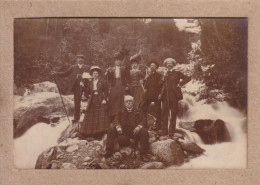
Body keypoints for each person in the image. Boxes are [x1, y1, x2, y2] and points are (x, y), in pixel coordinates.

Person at [105, 95, 150, 161]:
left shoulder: (138, 111)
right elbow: (115, 120)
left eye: (130, 101)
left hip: (135, 133)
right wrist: (118, 127)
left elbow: (144, 120)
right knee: (111, 129)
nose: (128, 103)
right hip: (124, 134)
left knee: (144, 131)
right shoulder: (120, 111)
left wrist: (139, 127)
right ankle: (108, 151)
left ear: (133, 102)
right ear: (124, 103)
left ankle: (143, 154)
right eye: (127, 101)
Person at [52, 54, 90, 123]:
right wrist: (56, 73)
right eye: (79, 58)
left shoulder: (87, 68)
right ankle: (76, 118)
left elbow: (91, 76)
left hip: (86, 87)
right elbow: (65, 73)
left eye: (82, 58)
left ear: (84, 60)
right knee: (77, 102)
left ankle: (88, 117)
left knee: (89, 101)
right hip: (76, 88)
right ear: (76, 59)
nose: (80, 59)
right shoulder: (73, 67)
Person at [159, 58, 191, 136]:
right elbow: (159, 84)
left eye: (170, 64)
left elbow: (188, 78)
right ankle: (164, 130)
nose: (169, 65)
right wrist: (163, 78)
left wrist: (180, 84)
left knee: (173, 113)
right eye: (167, 64)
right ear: (166, 65)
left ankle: (172, 131)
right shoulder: (164, 73)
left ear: (173, 65)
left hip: (174, 95)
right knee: (164, 113)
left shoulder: (177, 73)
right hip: (165, 96)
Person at [78, 66, 109, 138]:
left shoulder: (102, 81)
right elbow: (87, 92)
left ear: (98, 74)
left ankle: (100, 133)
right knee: (91, 114)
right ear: (92, 74)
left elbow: (106, 91)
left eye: (96, 73)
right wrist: (82, 87)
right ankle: (89, 133)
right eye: (94, 73)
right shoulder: (90, 83)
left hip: (100, 99)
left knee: (101, 114)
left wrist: (105, 99)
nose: (95, 74)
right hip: (92, 100)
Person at [105, 52, 129, 122]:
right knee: (113, 100)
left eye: (119, 60)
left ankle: (122, 116)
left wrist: (127, 85)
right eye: (116, 60)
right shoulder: (111, 69)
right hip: (114, 85)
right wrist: (108, 73)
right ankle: (113, 116)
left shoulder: (124, 68)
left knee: (121, 100)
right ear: (114, 61)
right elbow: (109, 79)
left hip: (122, 85)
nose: (118, 61)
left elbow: (128, 78)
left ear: (121, 61)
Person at [141, 60, 163, 130]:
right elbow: (145, 86)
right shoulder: (148, 76)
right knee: (143, 107)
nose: (152, 67)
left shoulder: (159, 75)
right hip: (148, 95)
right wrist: (143, 81)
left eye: (154, 66)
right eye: (151, 66)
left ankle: (158, 125)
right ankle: (144, 123)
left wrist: (160, 93)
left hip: (156, 95)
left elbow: (161, 84)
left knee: (158, 110)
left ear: (156, 67)